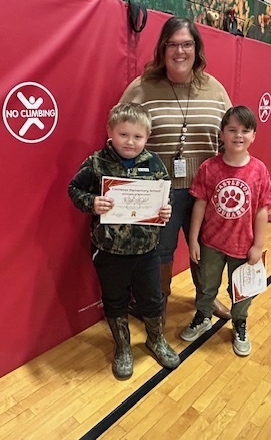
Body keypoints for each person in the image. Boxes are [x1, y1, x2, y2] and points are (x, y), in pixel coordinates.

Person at [119, 16, 233, 320]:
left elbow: (228, 138)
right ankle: (158, 302)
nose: (180, 51)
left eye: (187, 44)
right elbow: (122, 134)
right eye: (173, 44)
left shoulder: (215, 89)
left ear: (197, 49)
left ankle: (206, 299)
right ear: (162, 48)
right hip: (159, 188)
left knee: (206, 247)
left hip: (205, 190)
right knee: (160, 252)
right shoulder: (142, 88)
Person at [68, 103, 180, 380]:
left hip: (146, 250)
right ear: (110, 131)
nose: (130, 142)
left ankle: (156, 340)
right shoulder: (96, 162)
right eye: (123, 134)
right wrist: (92, 202)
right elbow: (74, 189)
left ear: (147, 137)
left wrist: (166, 208)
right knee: (115, 300)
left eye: (137, 137)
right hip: (109, 250)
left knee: (152, 298)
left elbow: (167, 195)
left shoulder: (154, 162)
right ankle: (123, 347)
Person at [179, 106, 271, 356]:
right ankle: (203, 316)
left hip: (243, 247)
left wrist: (258, 245)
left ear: (254, 135)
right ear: (221, 134)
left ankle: (240, 322)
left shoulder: (259, 170)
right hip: (211, 243)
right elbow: (199, 204)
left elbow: (262, 210)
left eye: (245, 130)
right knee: (207, 285)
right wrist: (193, 240)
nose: (238, 135)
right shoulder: (209, 168)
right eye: (232, 129)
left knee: (242, 291)